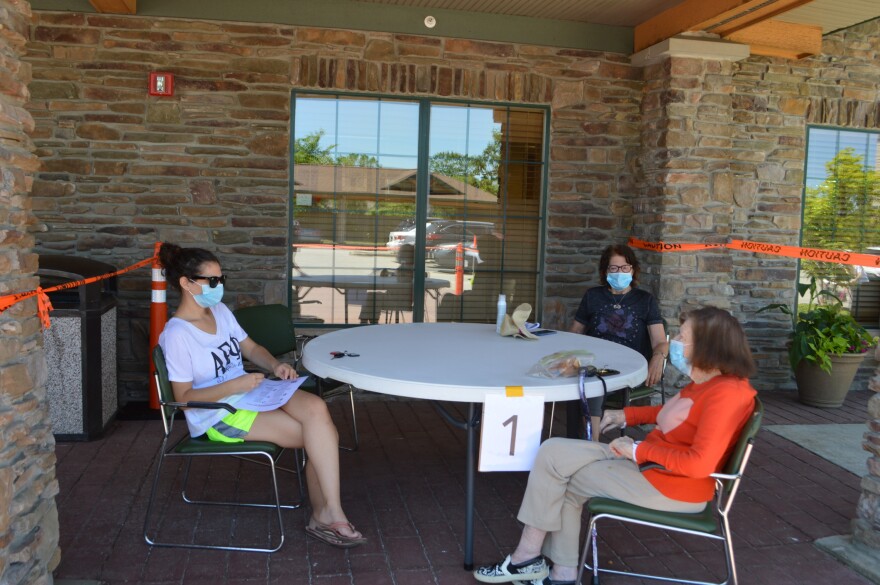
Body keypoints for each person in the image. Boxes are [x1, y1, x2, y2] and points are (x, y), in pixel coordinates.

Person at [474, 307, 757, 585]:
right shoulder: (708, 382)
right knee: (552, 451)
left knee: (572, 480)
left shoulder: (726, 395)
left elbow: (699, 464)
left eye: (683, 337)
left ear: (707, 346)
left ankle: (554, 571)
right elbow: (673, 413)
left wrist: (637, 450)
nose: (674, 342)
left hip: (673, 486)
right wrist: (626, 415)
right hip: (652, 466)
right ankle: (529, 560)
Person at [156, 243, 366, 549]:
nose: (219, 287)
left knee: (316, 409)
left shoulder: (219, 311)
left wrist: (276, 364)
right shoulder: (177, 335)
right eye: (211, 281)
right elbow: (184, 398)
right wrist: (234, 386)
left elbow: (251, 348)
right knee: (320, 436)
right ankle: (328, 514)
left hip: (250, 390)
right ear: (186, 283)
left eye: (221, 279)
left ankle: (327, 512)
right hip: (218, 412)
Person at [569, 244, 668, 439]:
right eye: (613, 268)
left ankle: (592, 444)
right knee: (581, 380)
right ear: (605, 271)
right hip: (596, 361)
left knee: (592, 384)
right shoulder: (593, 296)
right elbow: (575, 332)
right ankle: (579, 440)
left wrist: (658, 356)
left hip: (627, 366)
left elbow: (660, 341)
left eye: (624, 268)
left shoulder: (644, 300)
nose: (619, 272)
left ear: (633, 270)